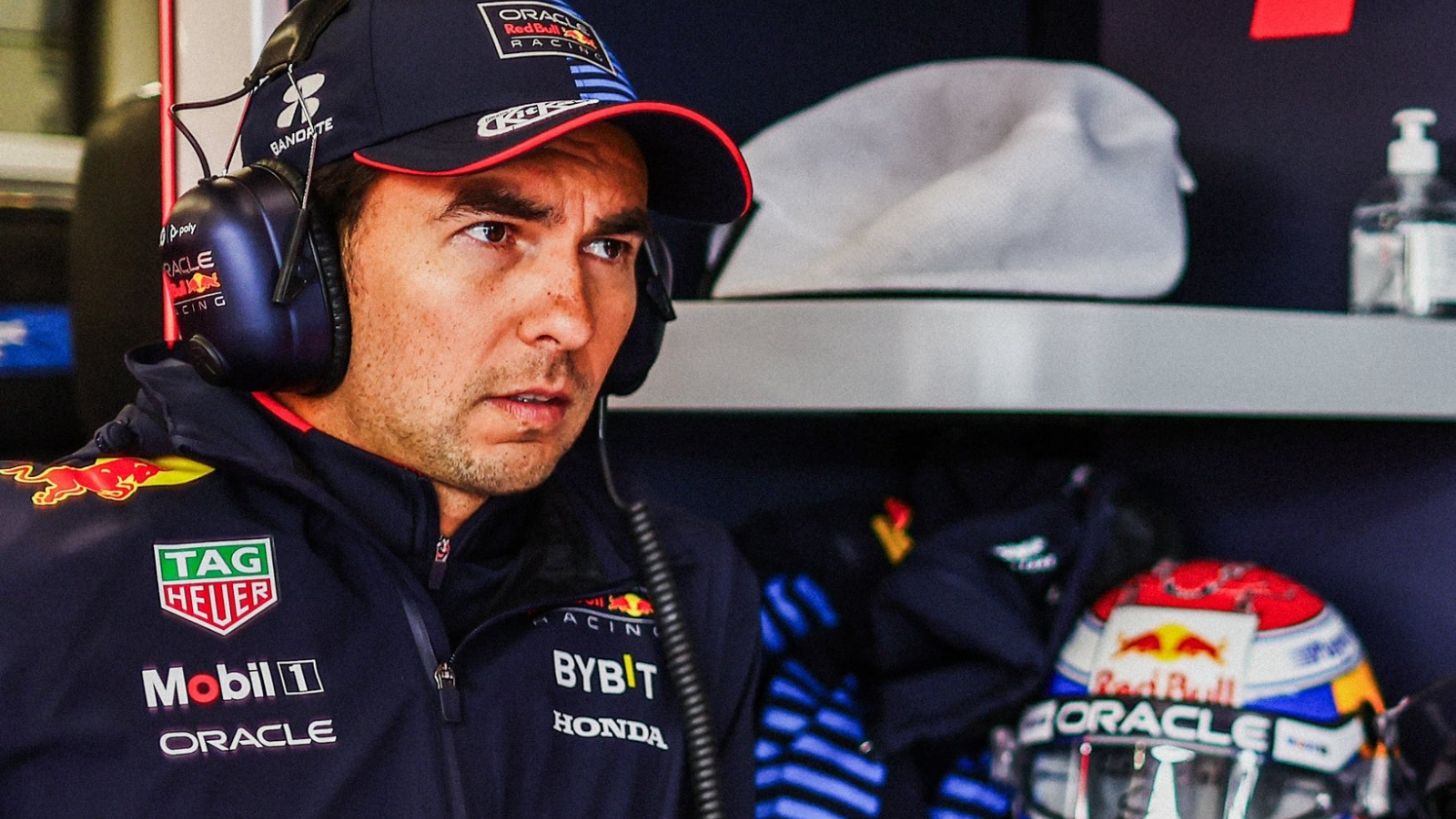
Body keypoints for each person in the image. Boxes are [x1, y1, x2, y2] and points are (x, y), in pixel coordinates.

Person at [0, 0, 760, 815]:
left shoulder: (682, 584)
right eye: (493, 231)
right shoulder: (32, 575)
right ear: (294, 264)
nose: (571, 320)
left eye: (609, 247)